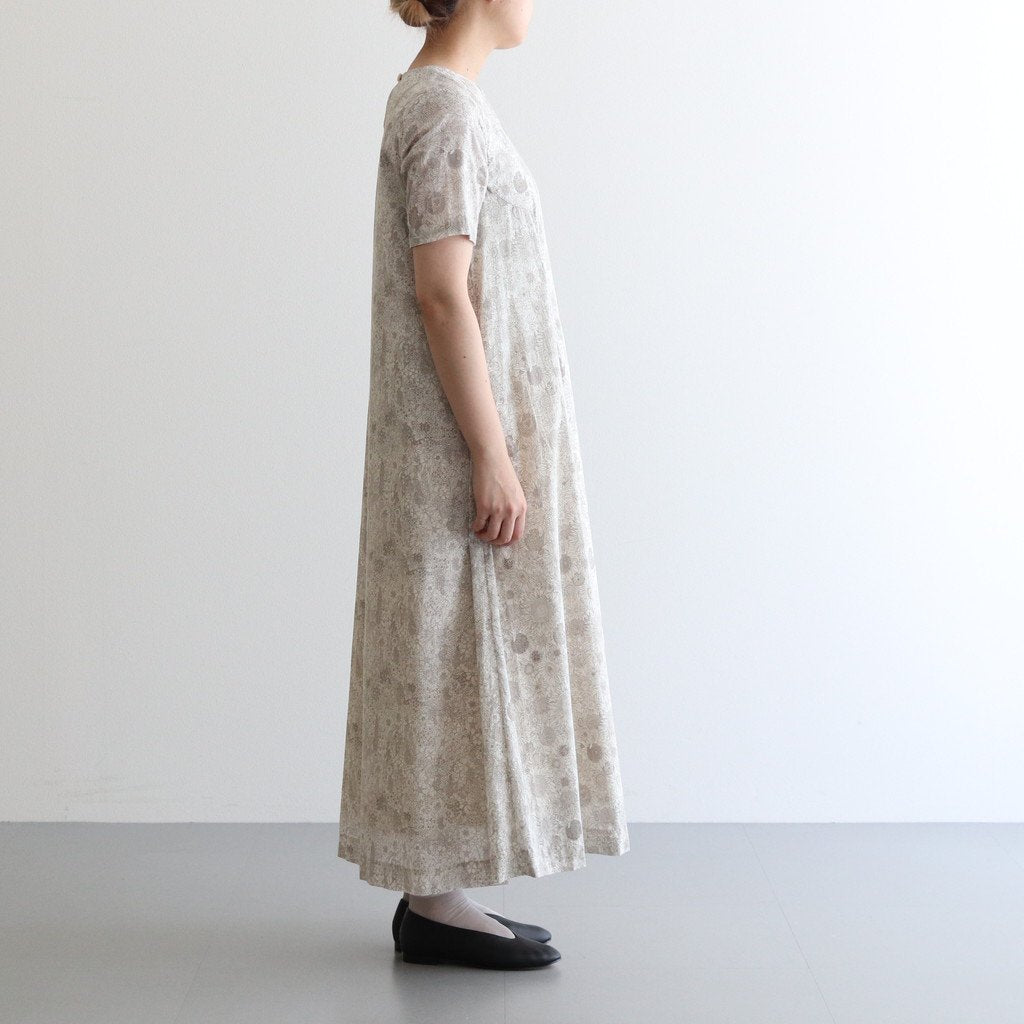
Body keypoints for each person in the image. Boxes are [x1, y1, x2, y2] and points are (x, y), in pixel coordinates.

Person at [337, 0, 630, 970]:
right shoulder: (444, 109)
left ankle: (439, 892)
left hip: (455, 435)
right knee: (444, 648)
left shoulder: (442, 101)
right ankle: (432, 903)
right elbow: (441, 291)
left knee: (455, 651)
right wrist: (491, 453)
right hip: (452, 443)